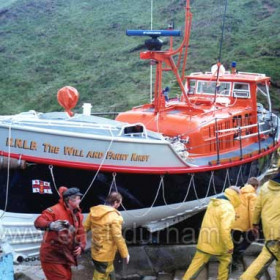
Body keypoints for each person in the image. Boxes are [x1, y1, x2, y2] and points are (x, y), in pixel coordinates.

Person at [183, 186, 241, 280]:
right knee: (226, 260)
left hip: (205, 239)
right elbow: (225, 230)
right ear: (236, 195)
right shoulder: (228, 208)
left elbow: (215, 218)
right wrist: (229, 246)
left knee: (196, 265)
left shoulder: (214, 202)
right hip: (219, 242)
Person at [34, 186, 86, 280]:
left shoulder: (77, 215)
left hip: (65, 256)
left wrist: (81, 246)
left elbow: (81, 232)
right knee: (62, 278)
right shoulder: (54, 210)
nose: (80, 201)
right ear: (70, 201)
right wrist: (51, 225)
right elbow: (38, 221)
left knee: (67, 277)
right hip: (52, 256)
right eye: (78, 199)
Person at [240, 164, 280, 279]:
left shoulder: (266, 186)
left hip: (269, 229)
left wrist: (255, 224)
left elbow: (257, 207)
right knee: (266, 257)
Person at [84, 191, 129, 280]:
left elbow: (84, 228)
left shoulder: (94, 212)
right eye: (119, 202)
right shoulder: (115, 217)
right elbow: (118, 237)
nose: (119, 205)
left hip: (95, 252)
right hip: (105, 255)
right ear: (115, 202)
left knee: (109, 272)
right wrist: (125, 253)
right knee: (101, 274)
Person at [231, 177, 260, 266]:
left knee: (235, 240)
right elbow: (252, 211)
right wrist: (253, 226)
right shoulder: (252, 196)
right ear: (255, 186)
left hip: (234, 221)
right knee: (251, 237)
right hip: (244, 224)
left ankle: (233, 260)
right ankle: (237, 253)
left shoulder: (239, 192)